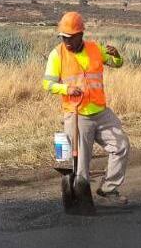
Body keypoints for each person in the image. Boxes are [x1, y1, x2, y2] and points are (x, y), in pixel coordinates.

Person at [41, 11, 130, 204]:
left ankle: (108, 188)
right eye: (63, 37)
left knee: (121, 146)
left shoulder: (95, 48)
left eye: (70, 37)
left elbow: (117, 63)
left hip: (101, 112)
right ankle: (81, 202)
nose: (67, 42)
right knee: (80, 164)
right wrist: (66, 88)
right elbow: (47, 84)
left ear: (81, 34)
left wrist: (117, 56)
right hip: (77, 114)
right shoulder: (57, 55)